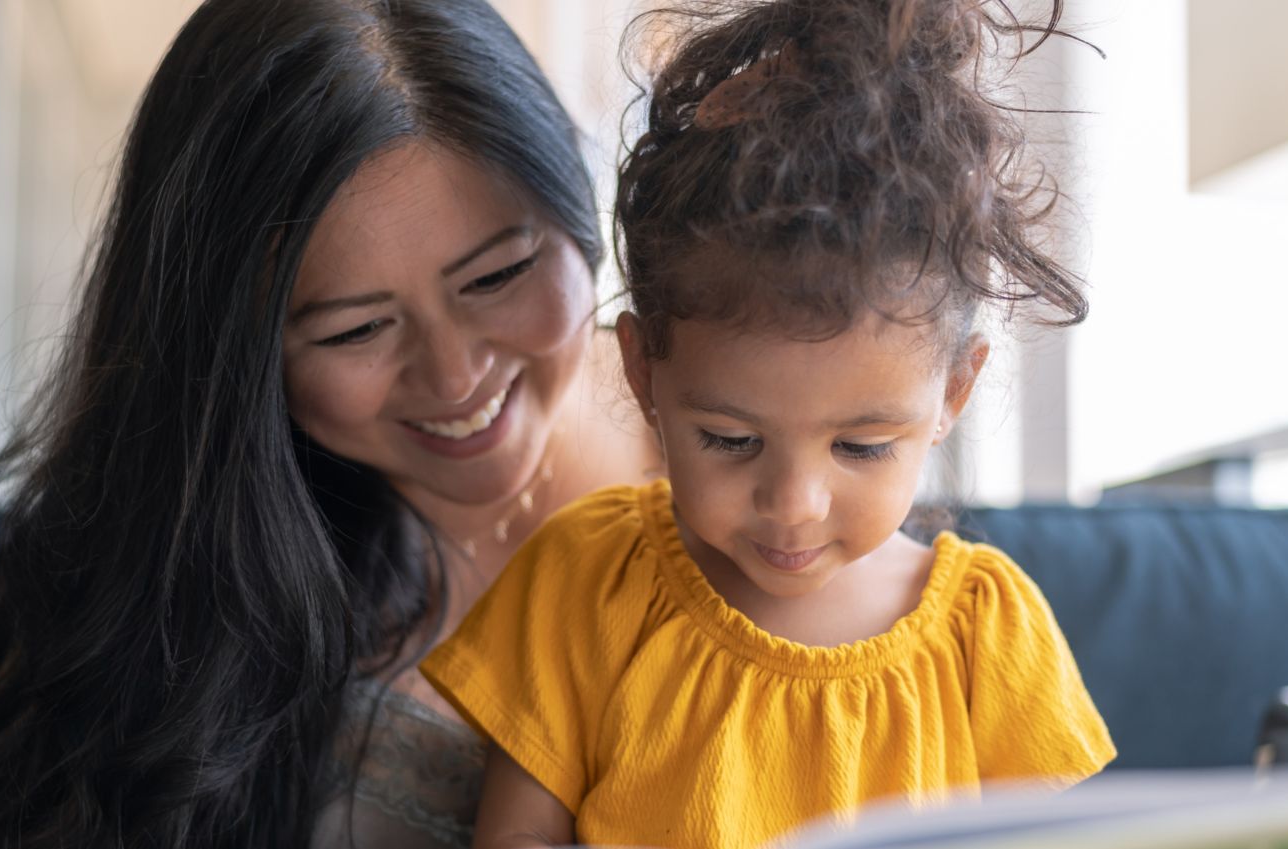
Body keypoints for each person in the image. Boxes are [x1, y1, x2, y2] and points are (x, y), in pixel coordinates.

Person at [0, 1, 655, 847]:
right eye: (355, 329)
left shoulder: (781, 459)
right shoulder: (115, 600)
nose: (454, 377)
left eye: (497, 276)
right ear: (232, 358)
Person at [419, 1, 1117, 847]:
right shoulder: (586, 581)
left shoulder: (988, 632)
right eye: (730, 439)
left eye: (861, 446)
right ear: (643, 370)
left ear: (952, 393)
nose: (792, 503)